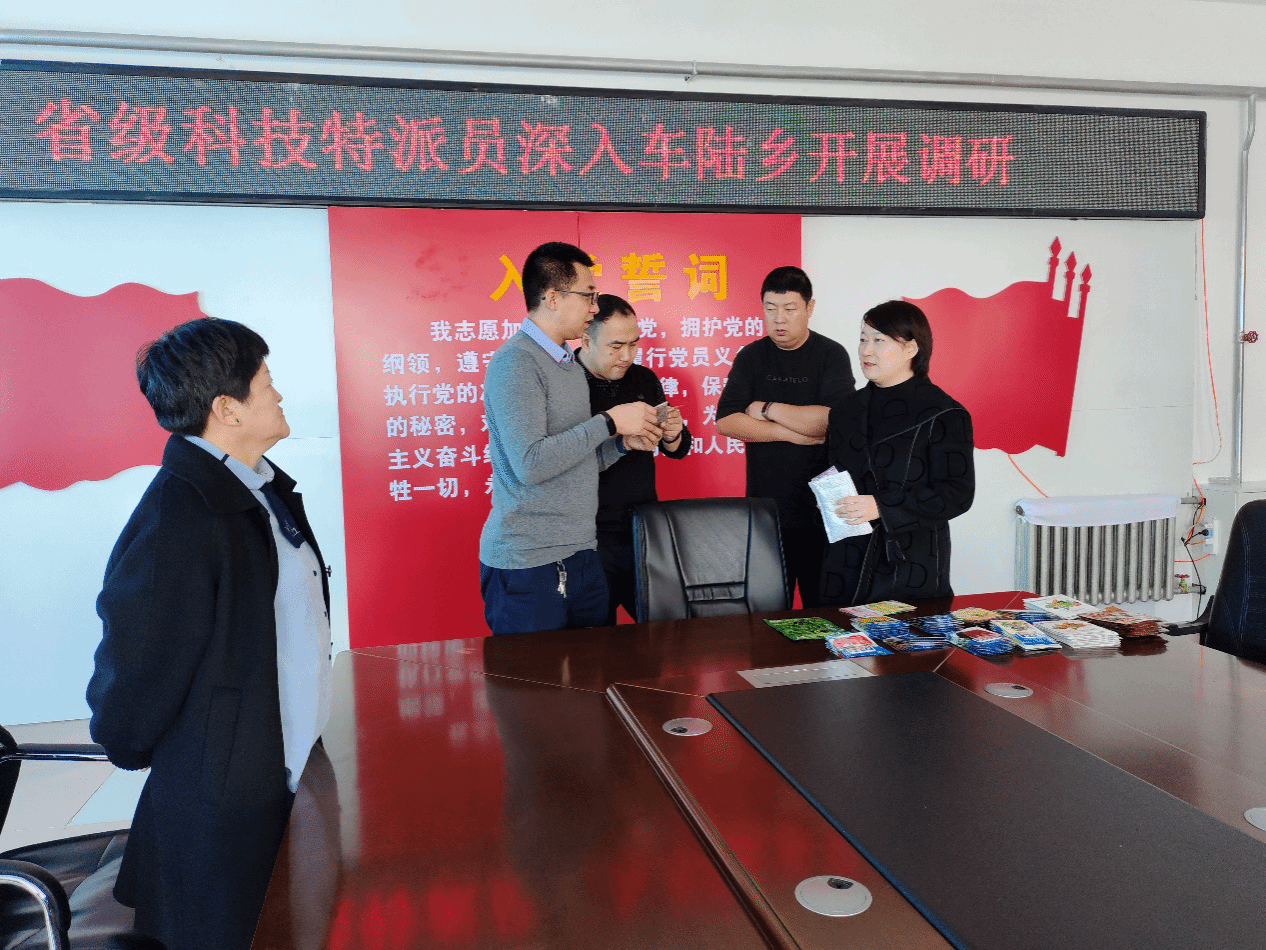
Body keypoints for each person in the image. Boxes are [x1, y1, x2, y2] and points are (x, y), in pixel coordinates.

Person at [86, 318, 332, 950]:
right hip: (224, 792)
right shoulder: (181, 514)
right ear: (228, 408)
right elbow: (139, 662)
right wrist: (128, 743)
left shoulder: (259, 487)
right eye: (266, 383)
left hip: (282, 766)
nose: (279, 394)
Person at [480, 242, 662, 635]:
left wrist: (620, 445)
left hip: (582, 553)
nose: (594, 308)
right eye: (588, 296)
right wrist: (609, 423)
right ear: (552, 298)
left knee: (592, 670)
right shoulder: (516, 362)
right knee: (534, 676)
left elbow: (575, 459)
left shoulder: (566, 364)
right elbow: (531, 463)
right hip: (530, 561)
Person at [716, 266, 854, 607]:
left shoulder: (831, 355)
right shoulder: (751, 356)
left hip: (823, 511)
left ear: (809, 307)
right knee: (767, 612)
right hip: (767, 512)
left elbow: (832, 421)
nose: (779, 319)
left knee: (825, 611)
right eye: (770, 308)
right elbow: (727, 422)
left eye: (790, 309)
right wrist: (787, 433)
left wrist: (766, 407)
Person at [821, 300, 975, 606]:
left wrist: (882, 507)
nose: (866, 350)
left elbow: (956, 493)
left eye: (879, 340)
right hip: (845, 563)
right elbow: (833, 472)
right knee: (839, 634)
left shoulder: (945, 413)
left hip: (910, 566)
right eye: (863, 339)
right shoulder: (845, 410)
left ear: (911, 348)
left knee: (909, 636)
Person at [577, 294, 692, 624]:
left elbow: (677, 449)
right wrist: (619, 439)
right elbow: (562, 460)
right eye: (616, 346)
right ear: (586, 339)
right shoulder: (566, 385)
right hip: (588, 535)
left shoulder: (643, 378)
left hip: (644, 528)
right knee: (595, 637)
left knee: (659, 633)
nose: (627, 356)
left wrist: (673, 434)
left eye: (634, 344)